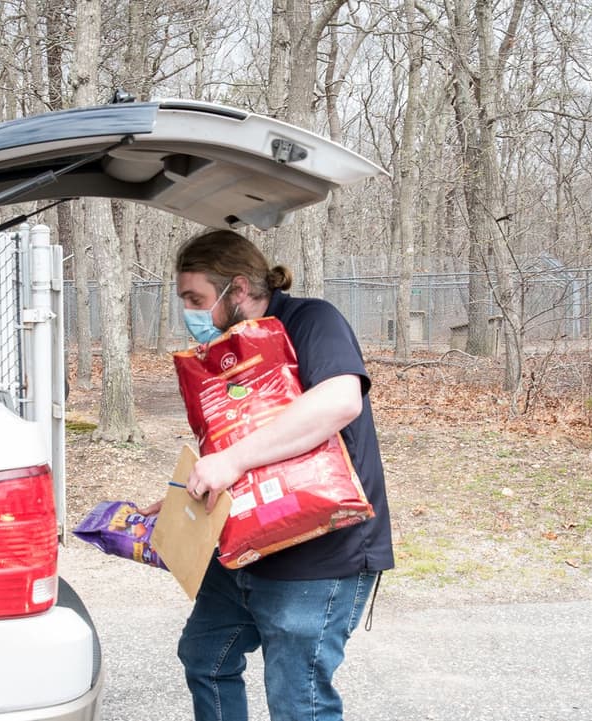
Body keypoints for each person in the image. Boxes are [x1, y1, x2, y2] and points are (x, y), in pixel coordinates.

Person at [146, 229, 394, 721]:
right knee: (205, 658)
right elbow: (237, 443)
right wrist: (188, 496)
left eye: (196, 299)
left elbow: (341, 399)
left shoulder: (311, 320)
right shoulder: (224, 350)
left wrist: (232, 462)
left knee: (297, 702)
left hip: (320, 552)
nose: (191, 313)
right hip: (244, 545)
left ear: (237, 289)